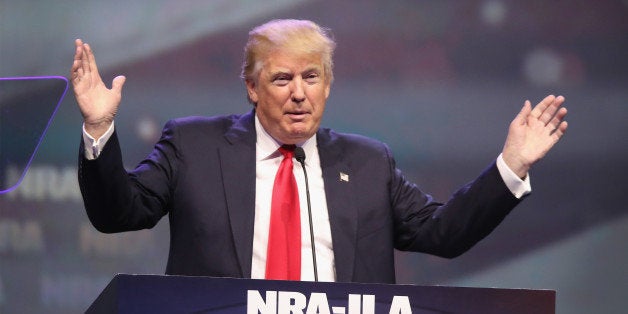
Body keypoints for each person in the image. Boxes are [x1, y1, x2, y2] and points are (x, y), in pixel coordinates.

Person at [70, 19, 568, 284]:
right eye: (282, 78)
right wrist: (99, 125)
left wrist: (512, 165)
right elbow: (120, 213)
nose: (299, 92)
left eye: (312, 77)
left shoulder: (369, 162)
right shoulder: (194, 146)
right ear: (251, 87)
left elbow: (443, 233)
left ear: (328, 85)